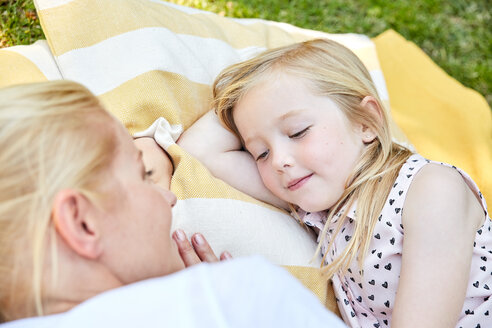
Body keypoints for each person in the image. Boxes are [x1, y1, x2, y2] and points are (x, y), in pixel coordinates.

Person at [179, 39, 492, 327]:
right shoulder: (317, 207)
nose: (278, 161)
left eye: (298, 132)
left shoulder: (432, 190)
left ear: (365, 121)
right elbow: (200, 150)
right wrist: (250, 95)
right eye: (260, 152)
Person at [0, 80, 346, 327]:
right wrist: (218, 295)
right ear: (82, 223)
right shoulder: (236, 296)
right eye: (143, 174)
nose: (169, 196)